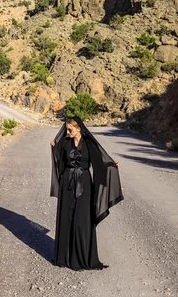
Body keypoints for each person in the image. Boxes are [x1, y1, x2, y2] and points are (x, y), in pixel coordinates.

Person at [49, 115, 124, 270]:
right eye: (66, 129)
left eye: (70, 129)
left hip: (84, 184)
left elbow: (99, 162)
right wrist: (54, 147)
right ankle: (63, 258)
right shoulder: (65, 142)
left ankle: (84, 258)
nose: (67, 131)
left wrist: (111, 164)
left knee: (82, 221)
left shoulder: (89, 144)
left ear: (79, 129)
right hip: (67, 184)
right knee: (66, 218)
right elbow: (59, 161)